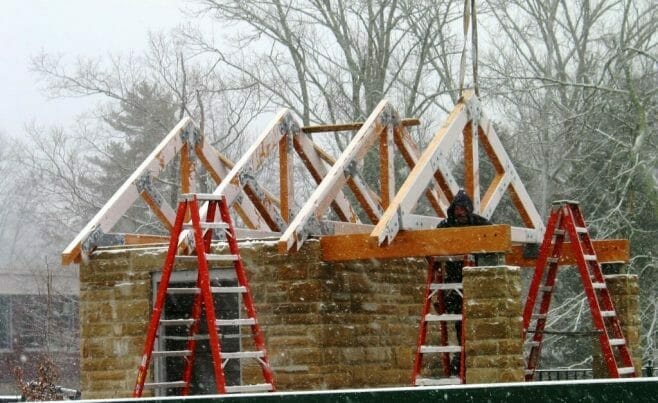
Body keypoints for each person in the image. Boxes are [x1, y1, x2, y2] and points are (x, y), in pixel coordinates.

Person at [433, 189, 491, 375]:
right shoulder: (445, 226)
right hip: (454, 280)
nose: (460, 213)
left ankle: (468, 359)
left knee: (477, 324)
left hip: (476, 280)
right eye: (457, 209)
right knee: (459, 322)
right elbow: (432, 245)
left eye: (463, 209)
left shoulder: (480, 224)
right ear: (453, 210)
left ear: (468, 210)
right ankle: (461, 360)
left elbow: (496, 237)